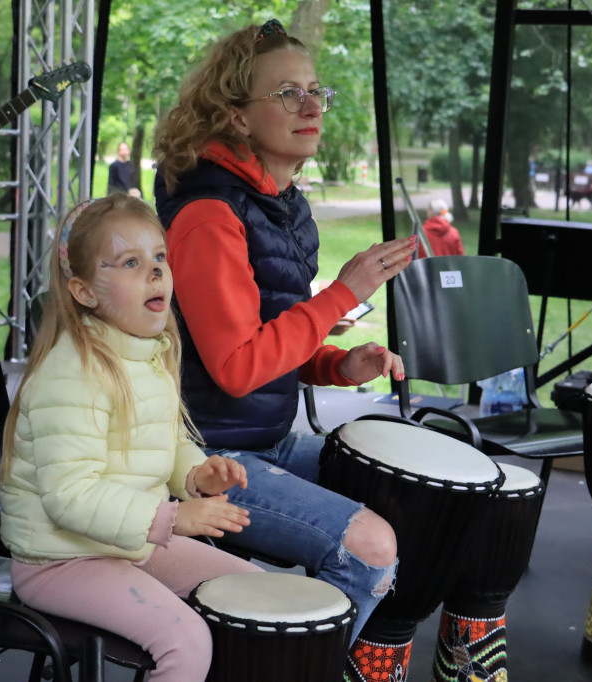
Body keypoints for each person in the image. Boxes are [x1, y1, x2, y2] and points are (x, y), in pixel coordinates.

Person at [153, 18, 416, 673]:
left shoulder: (280, 204)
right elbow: (237, 370)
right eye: (287, 94)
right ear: (237, 119)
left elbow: (269, 338)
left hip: (261, 439)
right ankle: (279, 662)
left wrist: (334, 364)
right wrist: (342, 294)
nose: (310, 106)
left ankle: (279, 646)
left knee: (405, 498)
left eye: (315, 92)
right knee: (370, 548)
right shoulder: (212, 215)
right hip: (206, 458)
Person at [0, 195, 262, 681]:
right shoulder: (72, 373)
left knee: (254, 596)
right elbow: (69, 496)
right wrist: (173, 517)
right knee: (185, 641)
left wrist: (195, 473)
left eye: (159, 257)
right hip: (58, 560)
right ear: (83, 291)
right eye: (130, 262)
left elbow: (161, 439)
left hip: (124, 542)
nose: (155, 272)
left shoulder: (145, 353)